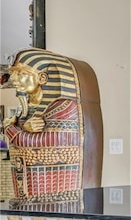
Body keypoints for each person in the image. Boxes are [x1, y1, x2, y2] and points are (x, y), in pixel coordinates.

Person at [2, 49, 102, 201]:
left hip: (57, 189)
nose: (14, 79)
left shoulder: (66, 108)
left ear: (42, 78)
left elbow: (43, 142)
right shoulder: (23, 108)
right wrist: (21, 130)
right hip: (26, 182)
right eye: (13, 73)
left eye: (21, 73)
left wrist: (10, 129)